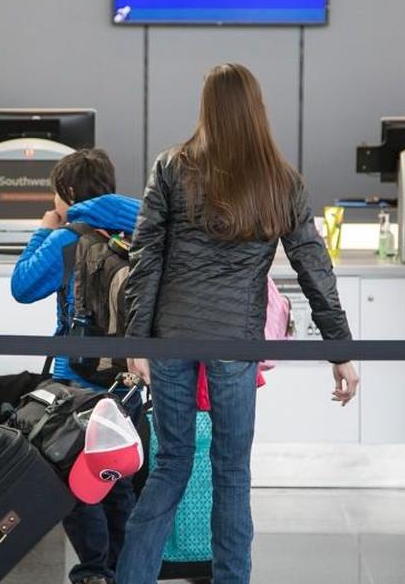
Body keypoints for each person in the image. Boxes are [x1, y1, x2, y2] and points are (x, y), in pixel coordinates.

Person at [117, 63, 358, 584]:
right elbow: (314, 267)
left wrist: (137, 342)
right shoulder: (281, 180)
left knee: (171, 466)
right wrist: (339, 349)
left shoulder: (171, 167)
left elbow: (146, 258)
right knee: (231, 473)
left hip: (171, 340)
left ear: (206, 108)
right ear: (257, 110)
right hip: (234, 343)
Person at [10, 148, 141, 584]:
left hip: (77, 381)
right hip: (128, 380)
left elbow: (23, 286)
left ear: (66, 192)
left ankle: (92, 571)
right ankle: (123, 569)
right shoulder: (138, 232)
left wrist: (45, 231)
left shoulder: (69, 237)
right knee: (117, 478)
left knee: (78, 478)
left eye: (54, 197)